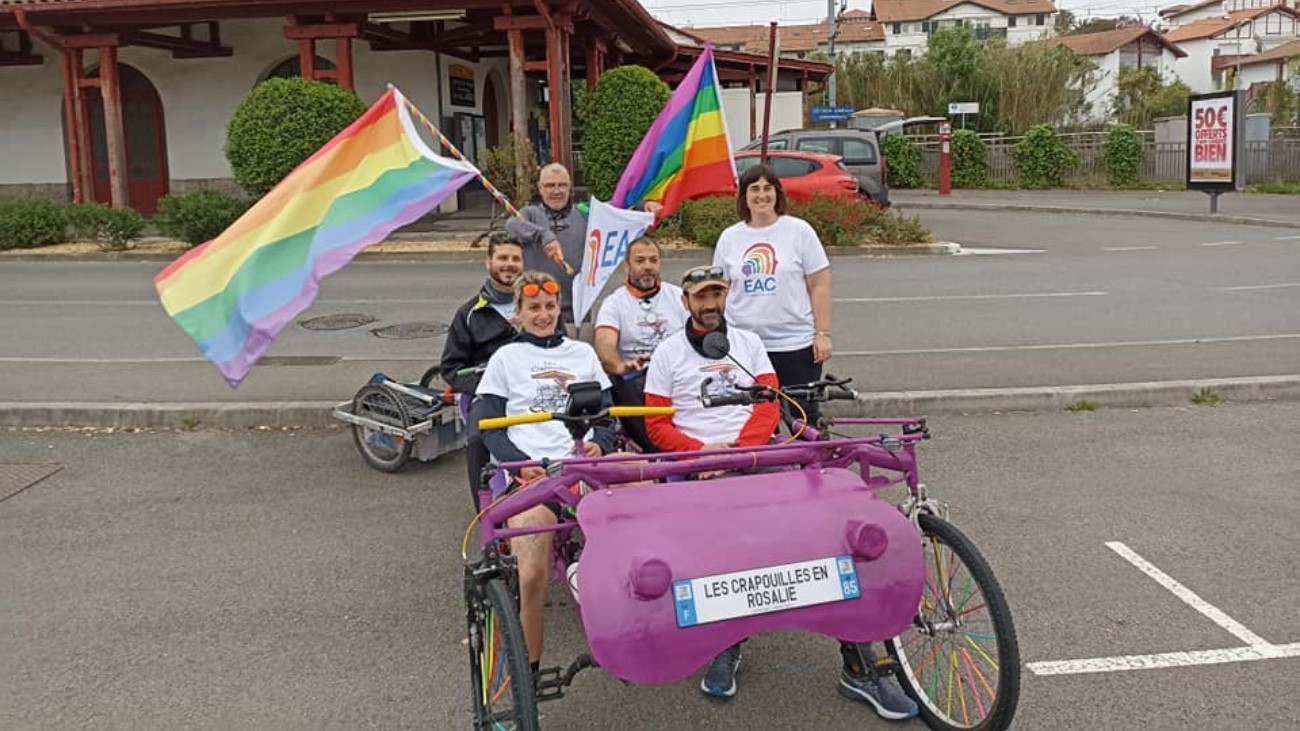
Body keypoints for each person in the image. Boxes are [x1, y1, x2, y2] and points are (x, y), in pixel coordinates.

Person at [643, 265, 917, 721]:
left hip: (755, 457)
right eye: (701, 297)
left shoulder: (748, 344)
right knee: (726, 552)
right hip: (698, 466)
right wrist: (703, 455)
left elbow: (771, 406)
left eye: (717, 294)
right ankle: (724, 643)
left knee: (830, 540)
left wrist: (741, 454)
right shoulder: (668, 353)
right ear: (686, 302)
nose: (710, 304)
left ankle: (862, 665)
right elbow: (655, 425)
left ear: (726, 296)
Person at [472, 270, 616, 683]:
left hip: (584, 466)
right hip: (533, 475)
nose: (543, 314)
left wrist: (601, 444)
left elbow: (604, 415)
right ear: (518, 314)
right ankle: (528, 670)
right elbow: (489, 427)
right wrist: (519, 463)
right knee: (532, 572)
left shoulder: (582, 354)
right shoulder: (506, 358)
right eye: (533, 307)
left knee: (642, 508)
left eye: (550, 306)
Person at [712, 163, 833, 425]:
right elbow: (720, 291)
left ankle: (811, 465)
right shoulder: (730, 238)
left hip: (795, 346)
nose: (761, 195)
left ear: (777, 193)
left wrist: (822, 334)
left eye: (768, 188)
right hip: (745, 346)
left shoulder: (799, 231)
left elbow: (820, 284)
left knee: (803, 418)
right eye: (754, 189)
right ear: (744, 196)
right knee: (753, 419)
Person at [505, 163, 662, 326]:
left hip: (577, 311)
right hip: (537, 309)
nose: (557, 191)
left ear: (570, 188)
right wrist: (543, 235)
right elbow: (512, 225)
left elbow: (618, 211)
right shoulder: (530, 214)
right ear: (540, 188)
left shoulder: (585, 213)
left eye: (562, 185)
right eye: (550, 185)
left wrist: (643, 207)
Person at [439, 234, 523, 510]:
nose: (509, 265)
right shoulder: (469, 314)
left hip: (534, 387)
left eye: (515, 259)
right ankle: (486, 512)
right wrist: (489, 386)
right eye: (502, 258)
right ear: (488, 262)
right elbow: (451, 368)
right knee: (478, 438)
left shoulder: (539, 305)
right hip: (489, 394)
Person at [592, 236, 687, 452]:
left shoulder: (679, 296)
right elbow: (605, 344)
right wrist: (619, 366)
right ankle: (659, 453)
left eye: (653, 260)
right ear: (627, 265)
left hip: (679, 375)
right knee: (621, 380)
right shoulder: (614, 303)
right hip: (637, 380)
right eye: (640, 261)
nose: (647, 267)